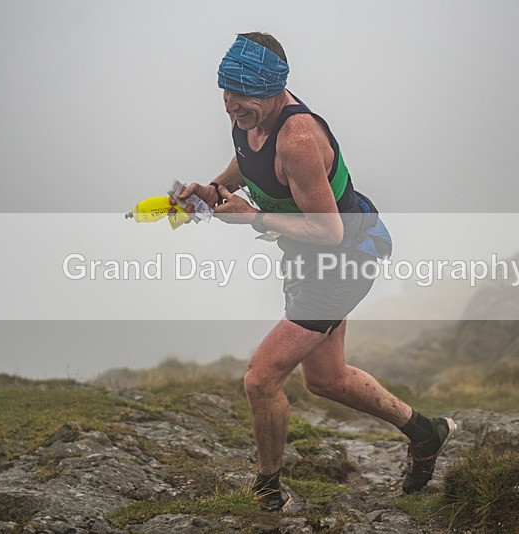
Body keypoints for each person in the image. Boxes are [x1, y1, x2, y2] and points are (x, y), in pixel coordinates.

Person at [172, 32, 455, 512]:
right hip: (312, 255)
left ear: (274, 89)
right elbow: (248, 159)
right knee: (326, 379)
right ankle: (426, 433)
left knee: (261, 379)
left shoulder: (298, 139)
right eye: (226, 91)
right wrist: (213, 189)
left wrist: (252, 218)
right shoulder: (249, 116)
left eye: (244, 95)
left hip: (343, 259)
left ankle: (267, 492)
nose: (232, 105)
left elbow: (329, 231)